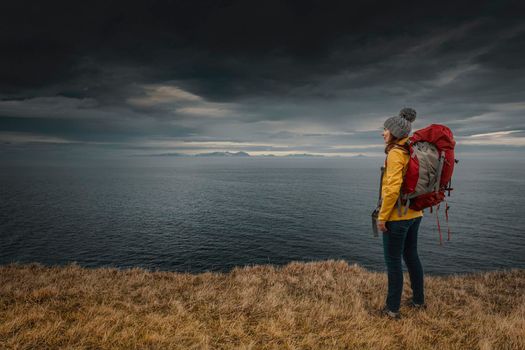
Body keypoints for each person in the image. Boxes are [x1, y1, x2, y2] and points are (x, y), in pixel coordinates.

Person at [377, 107, 425, 320]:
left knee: (393, 261)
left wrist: (382, 217)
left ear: (395, 132)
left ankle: (392, 309)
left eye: (385, 129)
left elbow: (392, 188)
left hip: (397, 217)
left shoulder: (396, 153)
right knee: (412, 256)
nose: (383, 133)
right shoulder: (411, 150)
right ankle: (418, 301)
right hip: (415, 213)